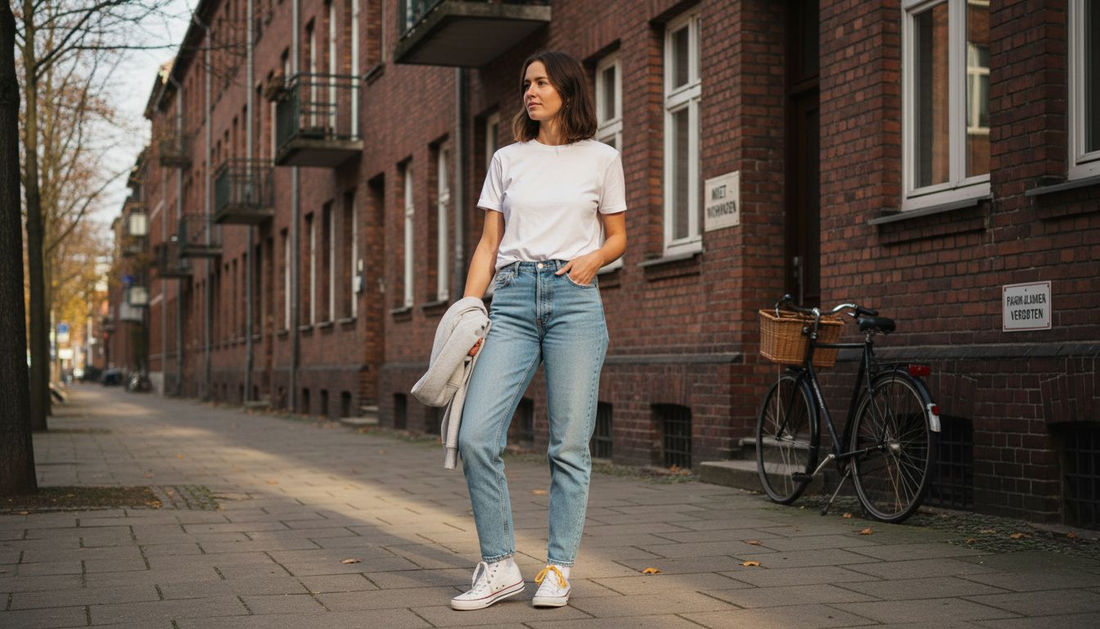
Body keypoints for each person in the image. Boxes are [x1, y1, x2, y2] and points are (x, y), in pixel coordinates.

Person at [450, 50, 627, 611]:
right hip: (514, 298)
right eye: (527, 83)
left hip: (575, 300)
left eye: (542, 82)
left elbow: (618, 236)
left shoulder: (602, 159)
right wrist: (470, 310)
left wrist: (593, 260)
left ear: (567, 92)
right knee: (476, 435)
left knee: (569, 443)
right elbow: (488, 243)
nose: (531, 91)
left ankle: (557, 568)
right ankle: (500, 565)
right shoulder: (507, 159)